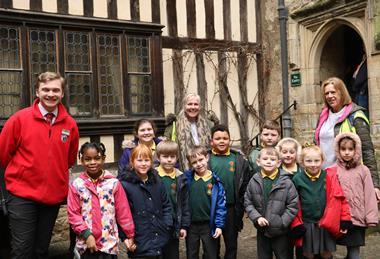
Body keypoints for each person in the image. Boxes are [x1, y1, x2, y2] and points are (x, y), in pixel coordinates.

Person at [0, 71, 79, 259]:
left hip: (51, 198)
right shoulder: (19, 119)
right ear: (37, 92)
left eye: (55, 90)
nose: (50, 94)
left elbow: (68, 160)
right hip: (21, 195)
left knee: (41, 250)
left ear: (62, 94)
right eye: (45, 89)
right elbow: (3, 155)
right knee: (22, 250)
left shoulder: (70, 124)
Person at [314, 77, 380, 199]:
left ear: (342, 92)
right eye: (327, 93)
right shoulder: (323, 116)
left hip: (346, 176)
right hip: (323, 176)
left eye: (333, 92)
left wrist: (374, 184)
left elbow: (367, 151)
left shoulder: (356, 116)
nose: (330, 96)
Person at [67, 142, 136, 258]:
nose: (93, 162)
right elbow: (73, 214)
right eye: (88, 159)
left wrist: (130, 235)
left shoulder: (113, 184)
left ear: (103, 159)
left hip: (108, 245)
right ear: (81, 160)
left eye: (97, 158)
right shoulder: (77, 185)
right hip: (86, 245)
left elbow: (123, 212)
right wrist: (87, 235)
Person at [291, 144, 351, 259]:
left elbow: (341, 198)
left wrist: (345, 218)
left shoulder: (329, 176)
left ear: (322, 160)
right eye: (309, 161)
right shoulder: (297, 179)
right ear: (302, 162)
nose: (313, 164)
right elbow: (293, 204)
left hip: (326, 222)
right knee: (308, 254)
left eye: (316, 161)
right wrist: (296, 223)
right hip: (307, 223)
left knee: (326, 253)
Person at [119, 144, 173, 258]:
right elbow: (121, 214)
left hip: (160, 239)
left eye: (147, 160)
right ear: (132, 162)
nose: (143, 164)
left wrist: (166, 225)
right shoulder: (125, 185)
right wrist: (126, 237)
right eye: (139, 160)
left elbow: (166, 205)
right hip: (139, 241)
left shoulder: (157, 182)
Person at [244, 147, 298, 259]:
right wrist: (257, 217)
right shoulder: (254, 180)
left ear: (278, 163)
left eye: (272, 159)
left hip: (281, 232)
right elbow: (248, 202)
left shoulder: (286, 182)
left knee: (283, 256)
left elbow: (293, 205)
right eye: (265, 159)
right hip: (262, 230)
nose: (269, 161)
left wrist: (282, 222)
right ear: (258, 161)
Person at [330, 133, 378, 259]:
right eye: (343, 149)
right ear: (338, 150)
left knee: (354, 253)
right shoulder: (333, 170)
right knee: (334, 251)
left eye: (350, 149)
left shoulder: (364, 170)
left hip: (358, 218)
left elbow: (369, 195)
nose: (346, 152)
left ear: (356, 150)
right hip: (341, 219)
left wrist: (371, 217)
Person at [208, 124, 252, 259]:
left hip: (231, 209)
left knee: (231, 243)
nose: (222, 141)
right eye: (218, 139)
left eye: (225, 138)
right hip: (211, 208)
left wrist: (243, 206)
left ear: (230, 140)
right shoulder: (206, 159)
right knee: (212, 244)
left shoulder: (238, 159)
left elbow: (245, 184)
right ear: (211, 142)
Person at [185, 146, 226, 259]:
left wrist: (219, 225)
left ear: (207, 158)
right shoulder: (187, 180)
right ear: (190, 164)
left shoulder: (215, 182)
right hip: (191, 225)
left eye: (201, 160)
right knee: (191, 253)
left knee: (211, 254)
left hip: (209, 224)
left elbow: (220, 206)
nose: (198, 164)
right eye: (194, 162)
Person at [155, 140, 191, 259]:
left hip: (174, 225)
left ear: (177, 158)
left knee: (172, 254)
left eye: (172, 156)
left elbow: (184, 204)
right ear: (158, 157)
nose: (169, 160)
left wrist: (184, 226)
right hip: (157, 225)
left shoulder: (181, 178)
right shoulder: (153, 176)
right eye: (165, 157)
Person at [164, 93, 216, 170]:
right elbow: (167, 150)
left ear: (200, 106)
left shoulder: (209, 124)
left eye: (196, 104)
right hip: (182, 171)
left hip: (206, 170)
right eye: (189, 104)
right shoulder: (173, 125)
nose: (193, 107)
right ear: (184, 106)